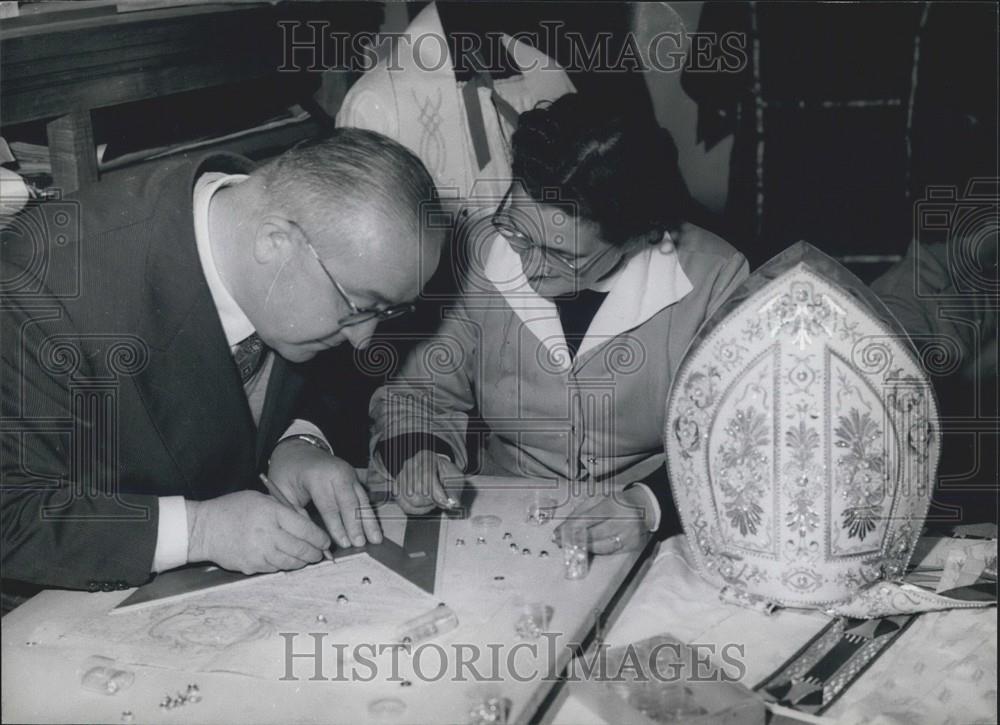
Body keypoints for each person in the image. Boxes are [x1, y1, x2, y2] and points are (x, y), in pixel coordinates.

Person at [0, 129, 444, 607]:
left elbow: (318, 389)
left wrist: (298, 442)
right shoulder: (40, 286)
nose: (365, 340)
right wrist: (200, 531)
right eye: (362, 307)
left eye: (388, 312)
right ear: (275, 241)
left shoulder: (274, 234)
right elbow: (10, 515)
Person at [367, 94, 748, 554]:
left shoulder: (715, 280)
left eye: (565, 256)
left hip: (656, 526)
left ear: (640, 238)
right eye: (519, 232)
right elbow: (416, 395)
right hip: (501, 516)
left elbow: (740, 441)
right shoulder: (476, 254)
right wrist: (420, 454)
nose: (528, 267)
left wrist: (650, 504)